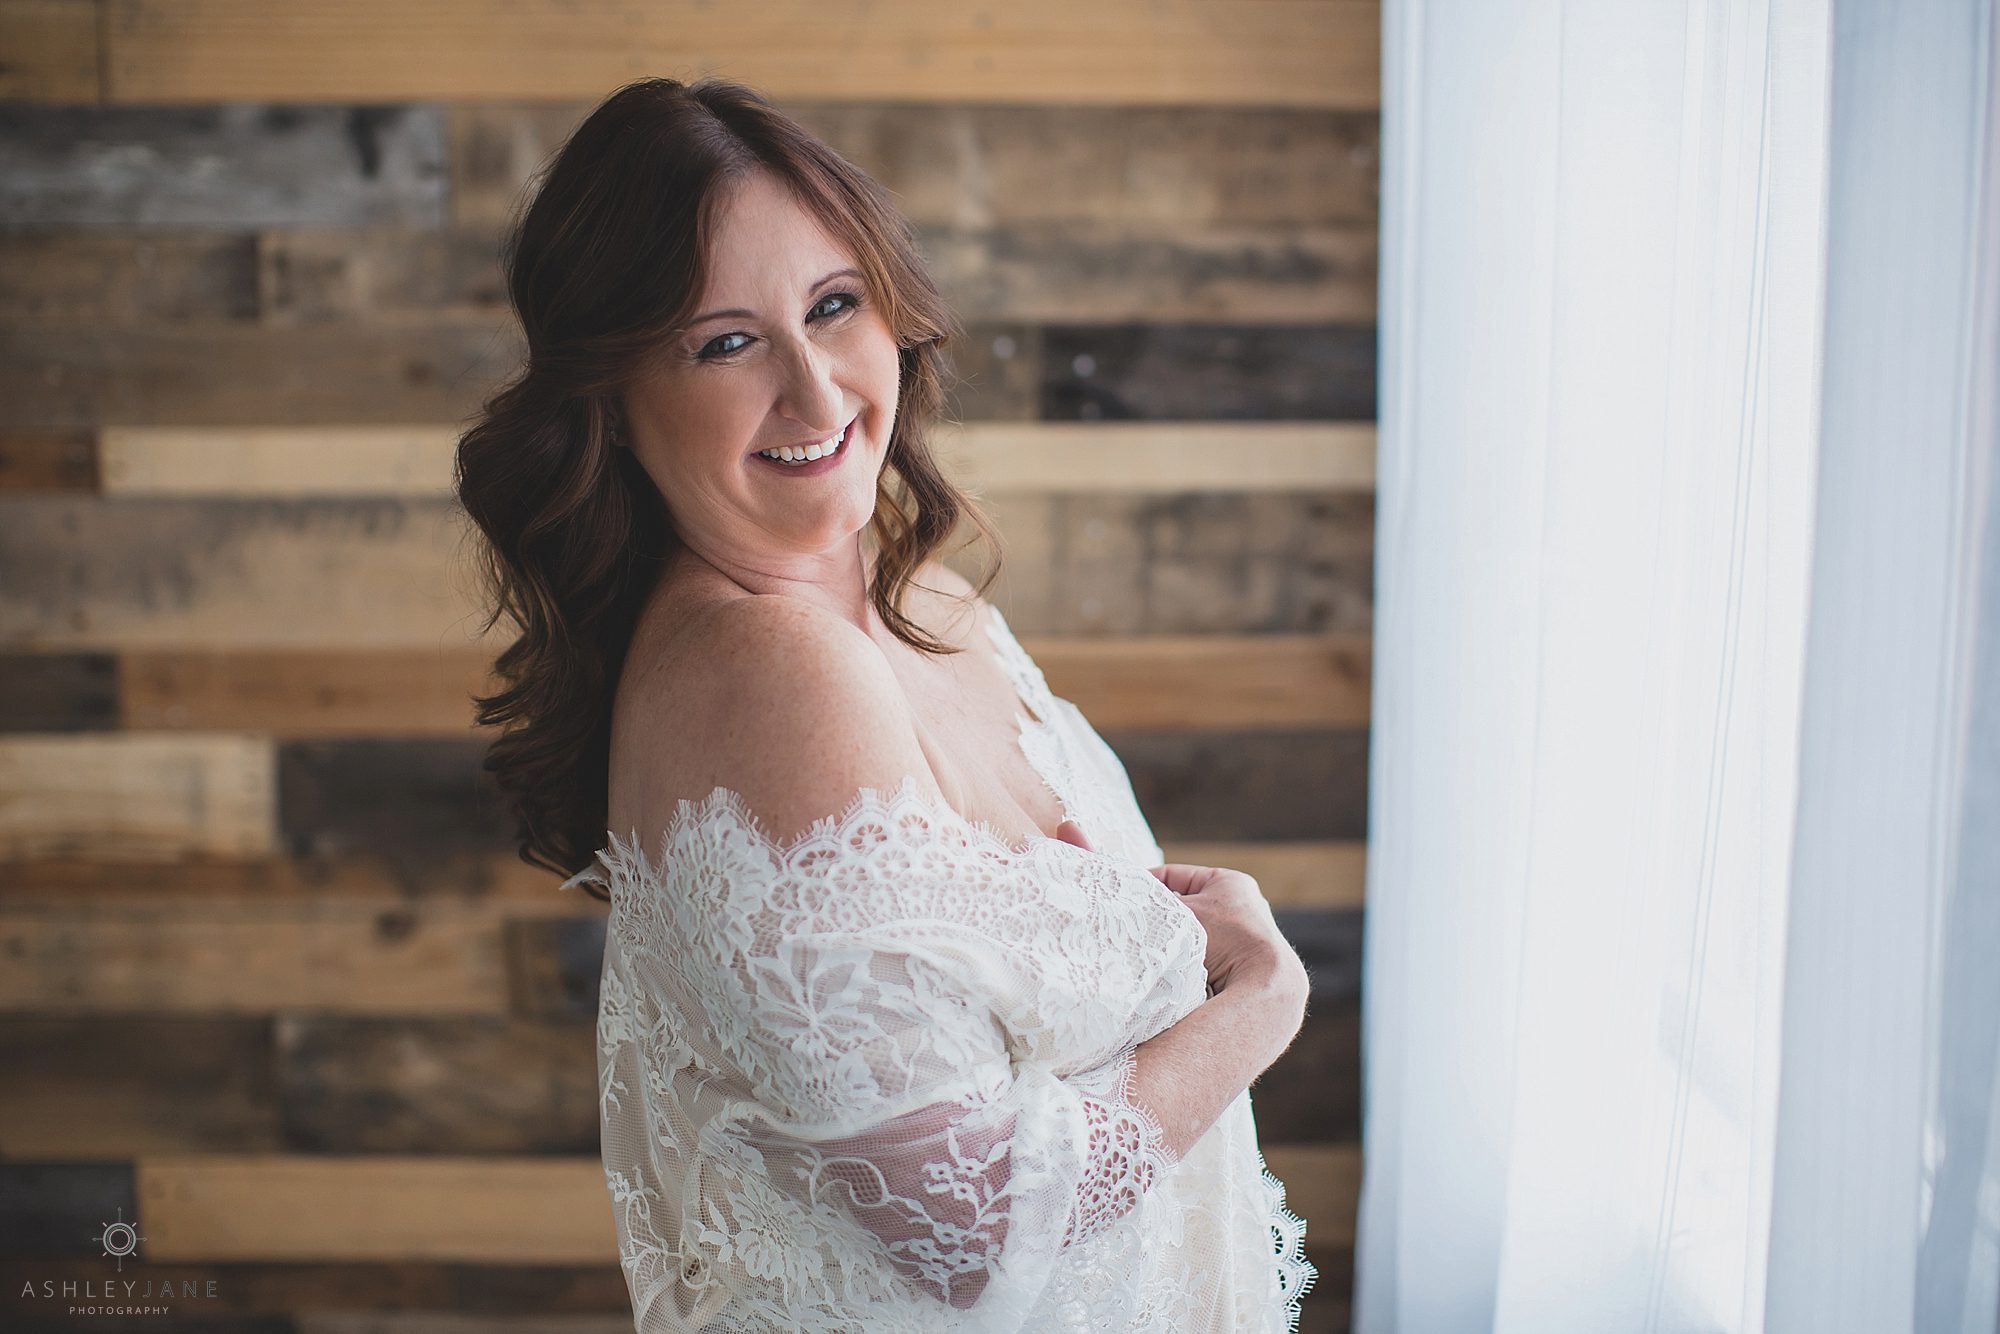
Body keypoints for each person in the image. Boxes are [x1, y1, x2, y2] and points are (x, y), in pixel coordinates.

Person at [455, 75, 1317, 1332]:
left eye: (832, 305)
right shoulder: (770, 673)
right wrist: (1262, 1000)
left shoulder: (938, 615)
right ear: (614, 402)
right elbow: (972, 1223)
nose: (815, 394)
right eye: (724, 341)